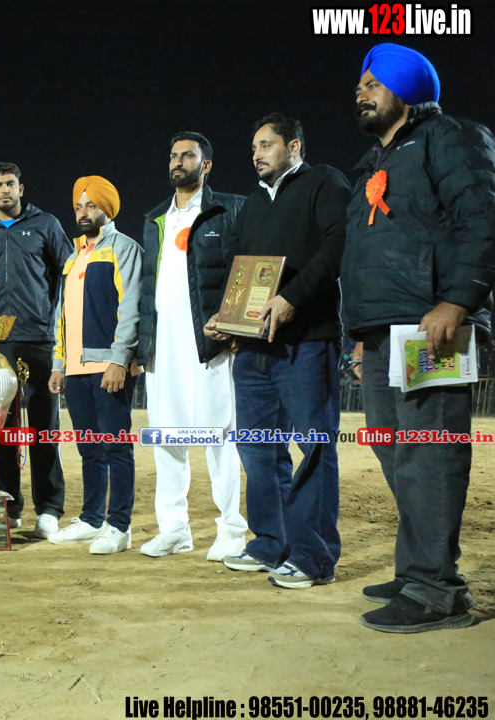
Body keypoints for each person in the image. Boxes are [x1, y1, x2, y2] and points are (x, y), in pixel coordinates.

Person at [342, 44, 495, 632]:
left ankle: (437, 591)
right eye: (360, 85)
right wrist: (360, 334)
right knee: (395, 450)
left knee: (429, 454)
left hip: (432, 325)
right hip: (384, 331)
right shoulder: (374, 161)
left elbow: (482, 219)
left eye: (373, 84)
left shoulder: (450, 137)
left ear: (406, 90)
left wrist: (457, 301)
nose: (361, 93)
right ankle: (417, 570)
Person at [205, 114, 350, 589]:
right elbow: (240, 267)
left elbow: (337, 246)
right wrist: (226, 318)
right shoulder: (252, 203)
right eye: (253, 147)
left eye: (266, 144)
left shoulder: (324, 182)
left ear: (295, 147)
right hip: (253, 350)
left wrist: (291, 299)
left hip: (307, 341)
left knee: (312, 448)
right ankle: (271, 543)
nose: (256, 154)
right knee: (259, 450)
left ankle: (314, 556)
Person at [137, 133, 248, 561]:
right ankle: (174, 529)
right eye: (173, 156)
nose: (177, 162)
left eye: (187, 155)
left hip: (210, 344)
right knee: (166, 435)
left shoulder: (229, 209)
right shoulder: (155, 218)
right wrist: (139, 345)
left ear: (206, 165)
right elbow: (147, 286)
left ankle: (232, 529)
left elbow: (245, 268)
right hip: (161, 346)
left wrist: (236, 327)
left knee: (220, 434)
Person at [0, 162, 72, 538]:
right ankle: (8, 505)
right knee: (1, 428)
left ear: (21, 188)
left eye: (10, 183)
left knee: (44, 428)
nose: (5, 189)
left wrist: (60, 329)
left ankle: (49, 508)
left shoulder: (46, 225)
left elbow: (69, 274)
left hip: (40, 340)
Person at [47, 176, 141, 555]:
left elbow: (132, 308)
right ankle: (90, 519)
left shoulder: (124, 248)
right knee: (89, 449)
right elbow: (62, 316)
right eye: (79, 206)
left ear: (108, 208)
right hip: (75, 371)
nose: (83, 213)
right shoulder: (73, 258)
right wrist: (59, 364)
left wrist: (120, 360)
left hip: (109, 368)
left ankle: (119, 526)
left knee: (116, 448)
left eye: (91, 205)